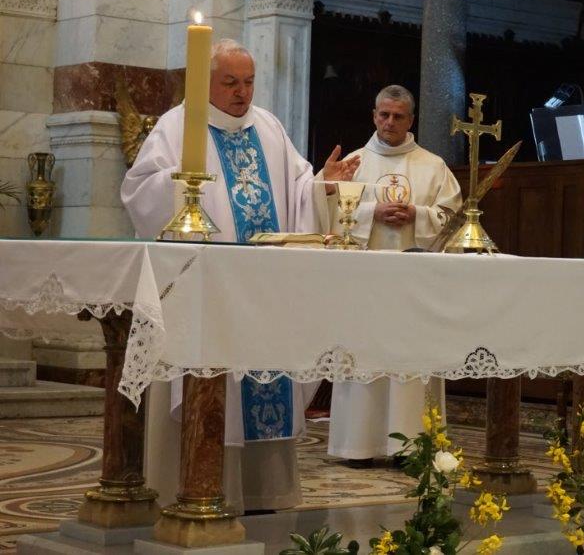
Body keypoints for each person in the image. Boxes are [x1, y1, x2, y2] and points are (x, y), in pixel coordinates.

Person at [121, 39, 359, 512]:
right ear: (205, 82)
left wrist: (323, 186)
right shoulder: (176, 127)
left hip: (263, 294)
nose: (241, 93)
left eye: (248, 82)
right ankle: (198, 491)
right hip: (204, 288)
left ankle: (262, 494)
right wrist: (178, 189)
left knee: (262, 381)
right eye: (230, 82)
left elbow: (297, 191)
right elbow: (138, 190)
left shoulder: (267, 126)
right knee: (210, 381)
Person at [316, 84, 461, 466]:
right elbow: (322, 214)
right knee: (364, 356)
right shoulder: (353, 162)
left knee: (411, 363)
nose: (390, 122)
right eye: (384, 114)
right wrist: (370, 214)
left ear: (411, 120)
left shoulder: (434, 167)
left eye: (398, 116)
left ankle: (410, 447)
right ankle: (358, 446)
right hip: (365, 286)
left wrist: (419, 215)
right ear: (373, 115)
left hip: (416, 288)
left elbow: (455, 219)